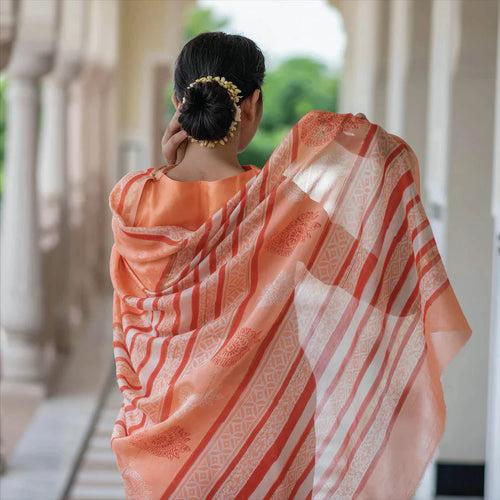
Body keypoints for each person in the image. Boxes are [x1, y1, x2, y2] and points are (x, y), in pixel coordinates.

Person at [108, 32, 472, 499]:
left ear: (180, 102)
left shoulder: (131, 198)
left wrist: (166, 171)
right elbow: (372, 277)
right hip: (263, 432)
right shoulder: (275, 206)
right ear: (254, 105)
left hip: (161, 447)